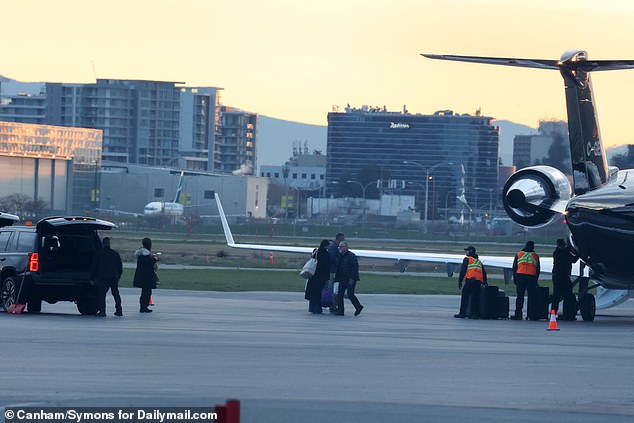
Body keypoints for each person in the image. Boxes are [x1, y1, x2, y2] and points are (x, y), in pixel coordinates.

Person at [90, 237, 123, 317]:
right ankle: (119, 310)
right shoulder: (115, 254)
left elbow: (94, 267)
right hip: (114, 276)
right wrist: (118, 276)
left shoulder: (99, 254)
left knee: (102, 294)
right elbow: (120, 267)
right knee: (116, 294)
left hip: (103, 277)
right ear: (109, 244)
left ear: (103, 244)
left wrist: (92, 278)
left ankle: (102, 311)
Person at [454, 246, 488, 319]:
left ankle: (462, 313)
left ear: (471, 251)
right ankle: (475, 314)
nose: (466, 252)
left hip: (470, 281)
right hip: (478, 282)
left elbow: (463, 270)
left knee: (465, 297)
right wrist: (485, 282)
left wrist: (460, 281)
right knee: (475, 298)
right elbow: (484, 273)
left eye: (467, 251)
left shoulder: (467, 259)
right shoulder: (479, 261)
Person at [511, 240, 540, 320]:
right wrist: (536, 280)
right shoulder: (535, 256)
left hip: (520, 277)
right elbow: (538, 270)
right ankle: (531, 315)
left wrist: (515, 278)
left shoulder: (519, 254)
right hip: (531, 278)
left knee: (520, 296)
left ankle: (518, 315)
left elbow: (514, 267)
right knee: (531, 297)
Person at [334, 241, 363, 316]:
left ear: (346, 247)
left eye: (341, 247)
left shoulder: (351, 256)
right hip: (342, 278)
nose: (340, 248)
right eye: (339, 247)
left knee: (350, 294)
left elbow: (355, 267)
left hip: (350, 278)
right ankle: (341, 310)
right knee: (340, 294)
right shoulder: (340, 256)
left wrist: (352, 278)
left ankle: (358, 307)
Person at [551, 238, 579, 319]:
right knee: (568, 295)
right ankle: (568, 313)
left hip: (556, 276)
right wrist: (578, 253)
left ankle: (553, 313)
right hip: (563, 277)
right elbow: (573, 260)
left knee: (556, 296)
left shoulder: (556, 252)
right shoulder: (564, 253)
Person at [304, 239, 331, 314]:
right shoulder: (326, 254)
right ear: (326, 245)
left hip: (313, 275)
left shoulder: (316, 251)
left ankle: (311, 308)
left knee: (312, 293)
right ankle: (317, 309)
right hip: (321, 277)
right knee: (318, 294)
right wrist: (327, 279)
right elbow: (327, 268)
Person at [133, 237, 159, 313]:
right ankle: (143, 307)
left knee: (145, 292)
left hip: (142, 276)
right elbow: (149, 264)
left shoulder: (141, 254)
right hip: (146, 277)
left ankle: (143, 306)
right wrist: (155, 259)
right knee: (146, 292)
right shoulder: (145, 255)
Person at [327, 232, 345, 313]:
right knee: (333, 289)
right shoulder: (334, 248)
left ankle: (333, 306)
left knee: (334, 289)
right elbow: (333, 258)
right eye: (343, 239)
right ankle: (333, 306)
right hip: (333, 271)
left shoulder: (333, 247)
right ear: (339, 239)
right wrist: (339, 264)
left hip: (333, 271)